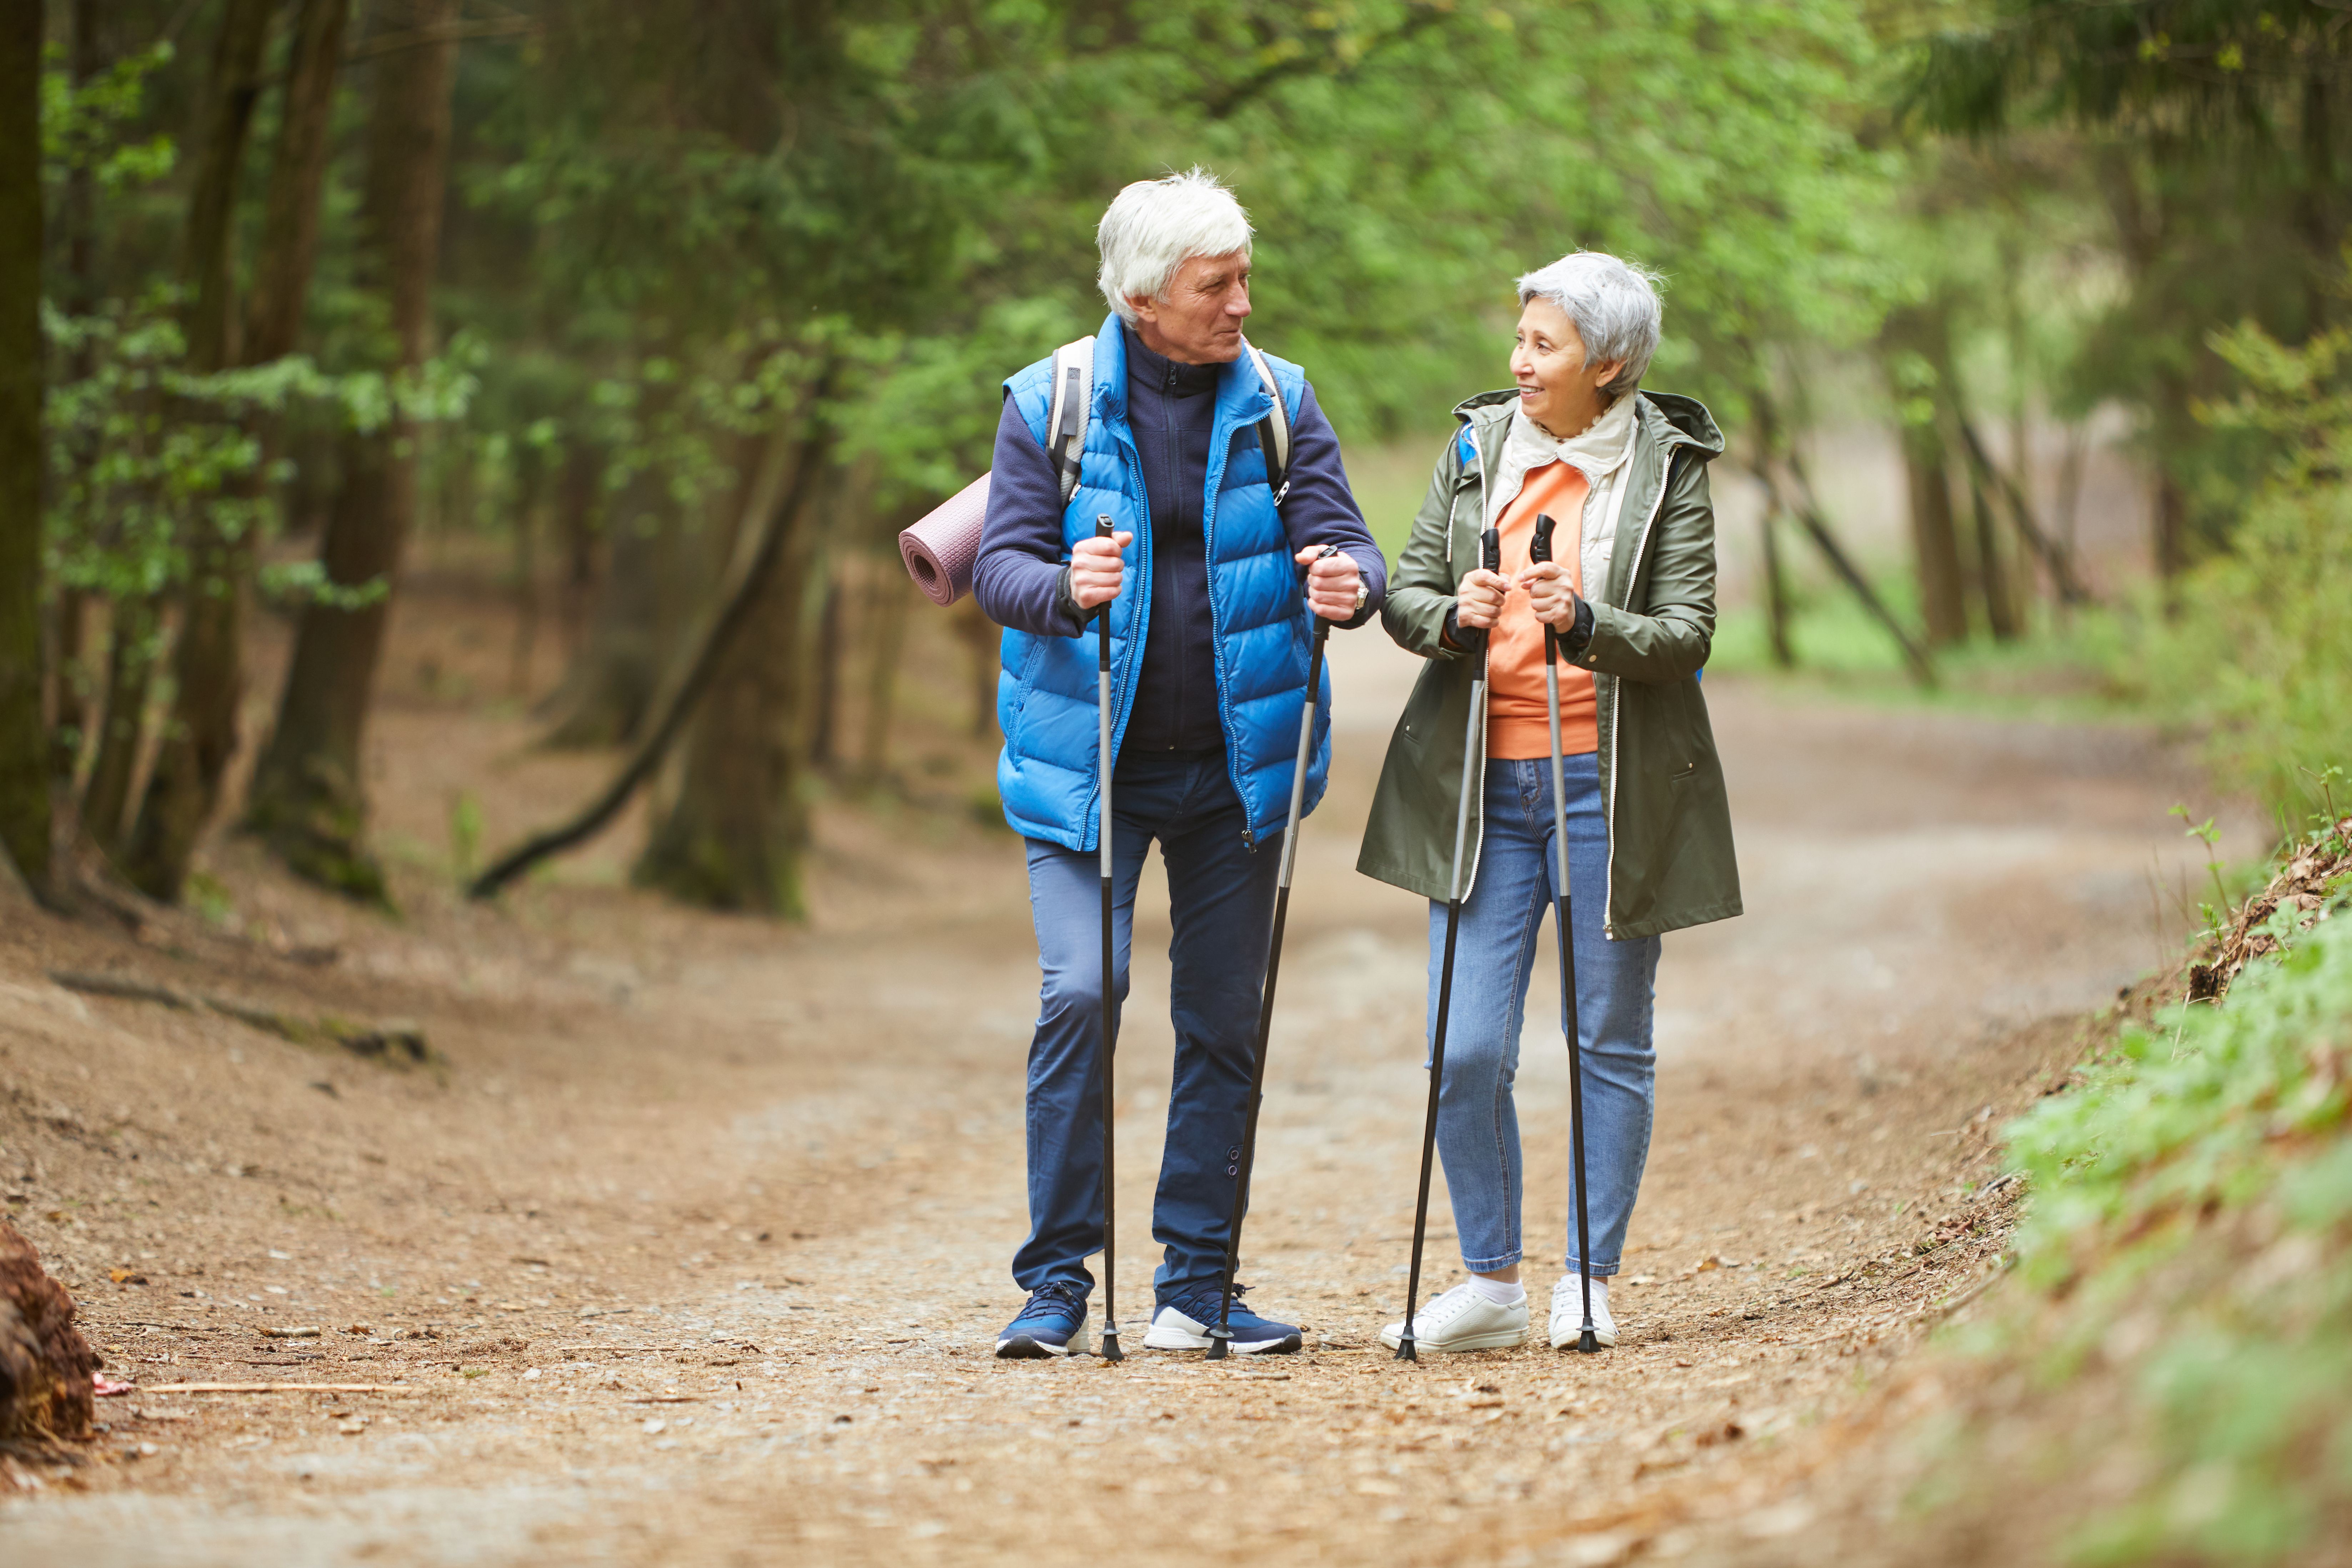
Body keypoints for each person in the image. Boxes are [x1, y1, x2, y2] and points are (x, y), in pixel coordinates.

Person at [973, 170, 1385, 1359]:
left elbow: (1337, 530)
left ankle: (1195, 1289)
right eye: (1218, 285)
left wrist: (1344, 582)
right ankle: (1055, 1285)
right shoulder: (1050, 399)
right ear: (1146, 297)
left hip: (1236, 769)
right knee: (1081, 993)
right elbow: (1001, 563)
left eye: (1245, 277)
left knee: (1221, 1020)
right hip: (1085, 770)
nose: (1242, 303)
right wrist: (1062, 589)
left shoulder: (1275, 398)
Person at [1357, 251, 1739, 1353]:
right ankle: (1490, 1285)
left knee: (1605, 1038)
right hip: (1482, 791)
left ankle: (1586, 1280)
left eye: (1543, 345)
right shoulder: (1476, 450)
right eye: (1519, 338)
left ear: (1606, 364)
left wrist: (1583, 624)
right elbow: (1407, 592)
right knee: (1463, 1048)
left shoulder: (1666, 468)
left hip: (1607, 785)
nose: (1518, 361)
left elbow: (1687, 634)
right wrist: (1451, 612)